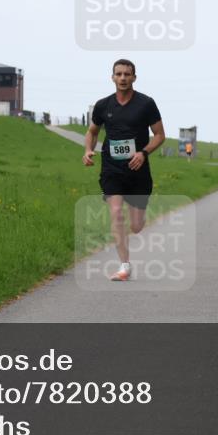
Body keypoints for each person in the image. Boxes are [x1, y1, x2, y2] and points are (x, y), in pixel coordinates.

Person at [83, 59, 165, 281]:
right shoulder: (103, 105)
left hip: (138, 169)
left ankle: (138, 216)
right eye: (118, 74)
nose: (122, 78)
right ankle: (124, 266)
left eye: (127, 74)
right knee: (116, 213)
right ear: (112, 78)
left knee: (136, 226)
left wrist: (143, 153)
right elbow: (92, 132)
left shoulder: (146, 104)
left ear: (134, 78)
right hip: (112, 169)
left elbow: (159, 135)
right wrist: (88, 150)